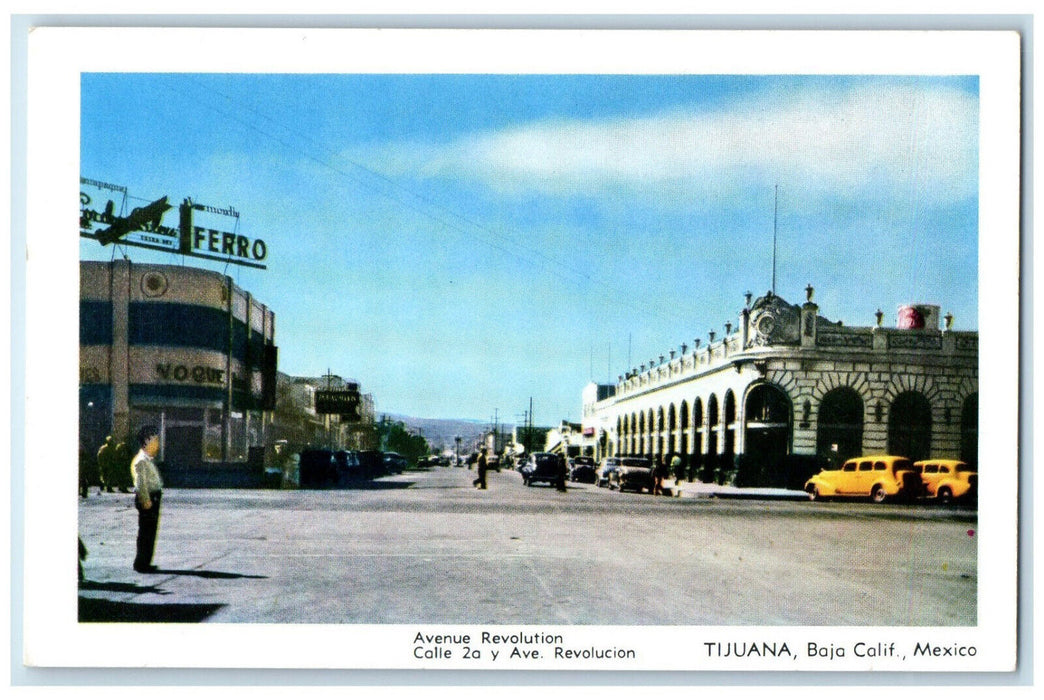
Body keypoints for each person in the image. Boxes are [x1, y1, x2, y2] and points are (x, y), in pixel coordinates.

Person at [130, 425, 164, 573]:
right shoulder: (141, 461)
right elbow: (140, 483)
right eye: (154, 441)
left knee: (150, 532)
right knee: (146, 532)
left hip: (153, 497)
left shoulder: (147, 460)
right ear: (146, 442)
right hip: (148, 498)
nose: (157, 444)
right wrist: (146, 500)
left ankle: (146, 562)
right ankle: (141, 563)